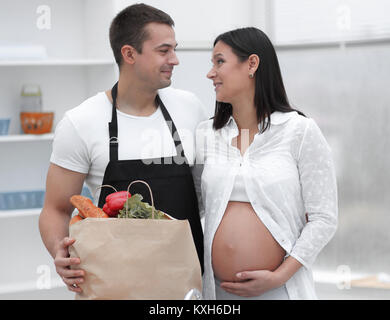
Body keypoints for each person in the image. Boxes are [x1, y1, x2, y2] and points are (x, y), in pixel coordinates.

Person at [39, 3, 208, 293]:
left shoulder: (190, 108)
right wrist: (60, 251)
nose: (175, 59)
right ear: (129, 54)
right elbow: (55, 209)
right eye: (164, 50)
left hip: (185, 286)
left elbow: (208, 192)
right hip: (113, 287)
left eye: (174, 49)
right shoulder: (82, 122)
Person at [195, 27, 338, 300]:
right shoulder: (206, 135)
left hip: (280, 290)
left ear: (251, 64)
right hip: (217, 292)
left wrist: (280, 275)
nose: (210, 73)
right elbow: (196, 204)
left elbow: (324, 218)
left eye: (219, 62)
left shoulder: (299, 131)